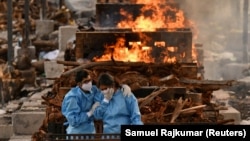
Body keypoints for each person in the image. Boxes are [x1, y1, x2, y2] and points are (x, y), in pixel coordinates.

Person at [61, 69, 102, 134]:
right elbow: (73, 120)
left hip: (90, 130)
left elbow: (102, 97)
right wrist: (90, 113)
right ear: (79, 84)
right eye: (86, 81)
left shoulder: (93, 90)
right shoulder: (73, 97)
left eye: (89, 80)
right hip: (77, 133)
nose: (89, 83)